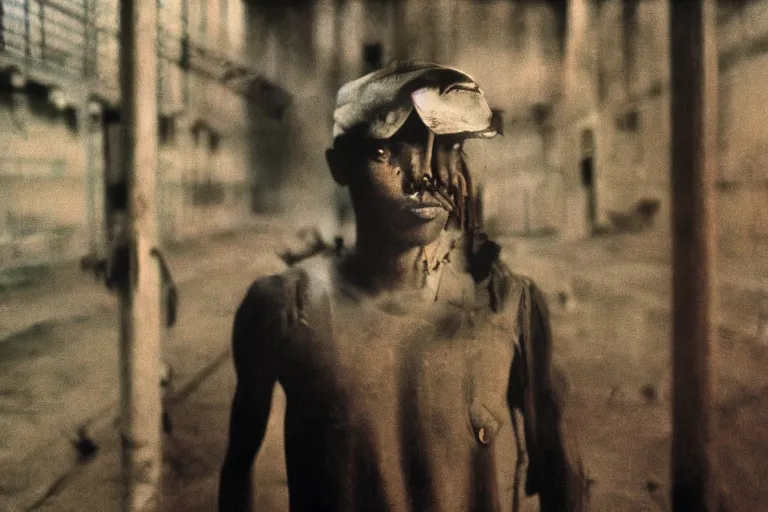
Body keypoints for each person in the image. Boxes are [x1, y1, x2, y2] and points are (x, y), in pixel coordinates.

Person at [219, 61, 589, 512]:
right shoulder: (284, 310)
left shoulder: (509, 305)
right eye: (385, 151)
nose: (424, 175)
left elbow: (561, 476)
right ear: (340, 166)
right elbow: (238, 470)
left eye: (449, 146)